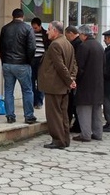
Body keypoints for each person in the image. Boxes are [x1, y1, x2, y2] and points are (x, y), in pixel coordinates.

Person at [38, 21, 77, 149]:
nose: (47, 32)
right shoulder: (67, 43)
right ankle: (65, 139)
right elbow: (74, 65)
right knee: (63, 114)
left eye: (49, 29)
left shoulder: (55, 44)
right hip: (63, 87)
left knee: (54, 115)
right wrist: (71, 79)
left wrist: (70, 80)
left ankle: (58, 140)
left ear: (55, 31)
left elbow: (60, 66)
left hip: (54, 86)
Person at [0, 8, 37, 124]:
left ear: (12, 16)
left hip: (7, 63)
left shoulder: (5, 28)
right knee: (27, 90)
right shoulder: (27, 28)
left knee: (8, 91)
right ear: (23, 16)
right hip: (22, 64)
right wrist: (29, 61)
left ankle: (10, 116)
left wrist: (4, 61)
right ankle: (29, 116)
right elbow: (32, 47)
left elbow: (2, 47)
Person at [72, 25, 105, 142]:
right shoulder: (99, 45)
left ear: (83, 35)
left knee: (83, 109)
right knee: (96, 110)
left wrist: (75, 79)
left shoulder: (83, 46)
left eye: (80, 35)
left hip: (85, 84)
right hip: (98, 83)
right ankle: (98, 133)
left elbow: (79, 66)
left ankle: (85, 134)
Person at [64, 26, 82, 133]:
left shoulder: (76, 45)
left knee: (72, 103)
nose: (66, 38)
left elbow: (75, 62)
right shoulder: (77, 43)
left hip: (74, 78)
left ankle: (76, 125)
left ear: (70, 33)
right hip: (75, 78)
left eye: (66, 35)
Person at [30, 18, 50, 109]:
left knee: (40, 82)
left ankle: (39, 101)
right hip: (32, 59)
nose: (34, 29)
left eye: (36, 28)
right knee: (31, 81)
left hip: (41, 60)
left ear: (40, 26)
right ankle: (33, 101)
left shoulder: (45, 34)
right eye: (33, 27)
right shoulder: (30, 34)